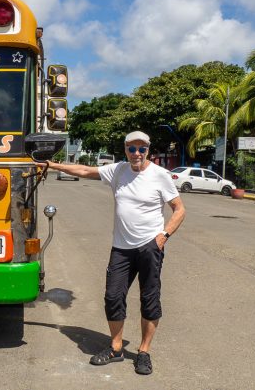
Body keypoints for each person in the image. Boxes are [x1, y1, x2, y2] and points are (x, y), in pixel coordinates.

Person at [39, 130, 185, 375]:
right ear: (126, 149)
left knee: (149, 300)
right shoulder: (118, 170)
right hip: (121, 249)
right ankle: (116, 348)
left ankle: (143, 352)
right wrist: (52, 164)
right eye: (132, 148)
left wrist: (163, 236)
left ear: (148, 150)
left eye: (141, 149)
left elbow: (179, 209)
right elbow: (85, 171)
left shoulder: (160, 175)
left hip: (149, 248)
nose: (136, 153)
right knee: (113, 297)